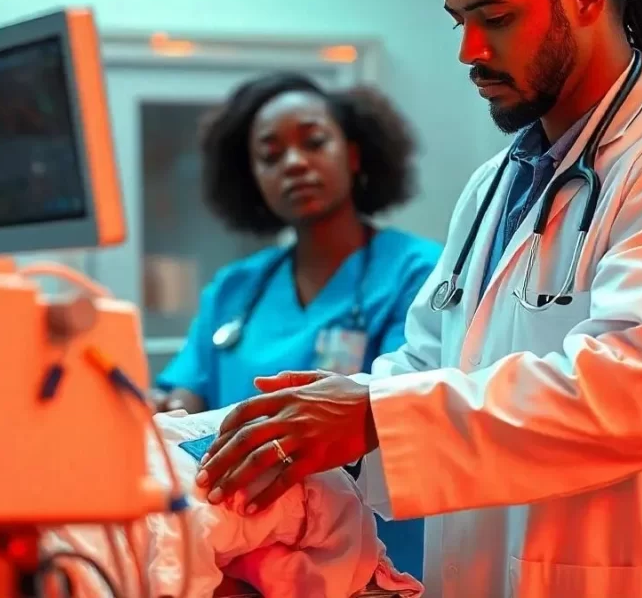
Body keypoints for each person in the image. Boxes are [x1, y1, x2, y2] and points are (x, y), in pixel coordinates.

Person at [193, 0, 642, 598]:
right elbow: (434, 360)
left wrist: (375, 416)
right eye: (460, 22)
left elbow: (636, 394)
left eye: (495, 18)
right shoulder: (494, 187)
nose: (469, 50)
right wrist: (336, 407)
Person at [150, 71, 442, 579]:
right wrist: (158, 412)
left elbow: (407, 405)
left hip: (368, 557)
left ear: (354, 155)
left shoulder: (418, 273)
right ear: (253, 178)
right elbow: (185, 395)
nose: (294, 163)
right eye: (270, 155)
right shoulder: (236, 288)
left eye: (313, 142)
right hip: (242, 557)